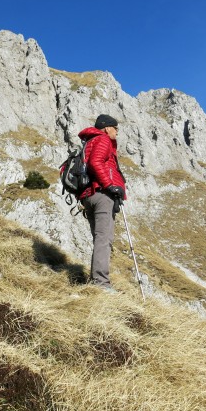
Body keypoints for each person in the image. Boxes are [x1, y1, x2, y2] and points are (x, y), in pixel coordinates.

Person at [78, 114, 126, 291]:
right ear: (106, 128)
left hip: (88, 195)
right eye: (115, 128)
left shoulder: (90, 141)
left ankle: (96, 281)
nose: (117, 132)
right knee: (104, 239)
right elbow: (95, 162)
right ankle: (101, 284)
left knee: (100, 239)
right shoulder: (103, 140)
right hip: (101, 194)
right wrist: (110, 186)